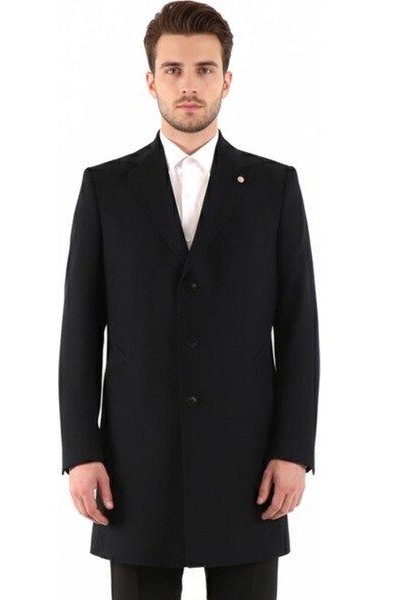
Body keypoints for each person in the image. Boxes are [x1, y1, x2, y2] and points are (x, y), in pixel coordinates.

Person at [58, 2, 320, 598]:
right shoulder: (105, 188)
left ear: (227, 80)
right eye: (173, 70)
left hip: (249, 462)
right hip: (134, 464)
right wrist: (80, 450)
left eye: (205, 69)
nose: (189, 85)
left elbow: (298, 326)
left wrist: (293, 450)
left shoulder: (275, 187)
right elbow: (80, 329)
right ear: (151, 81)